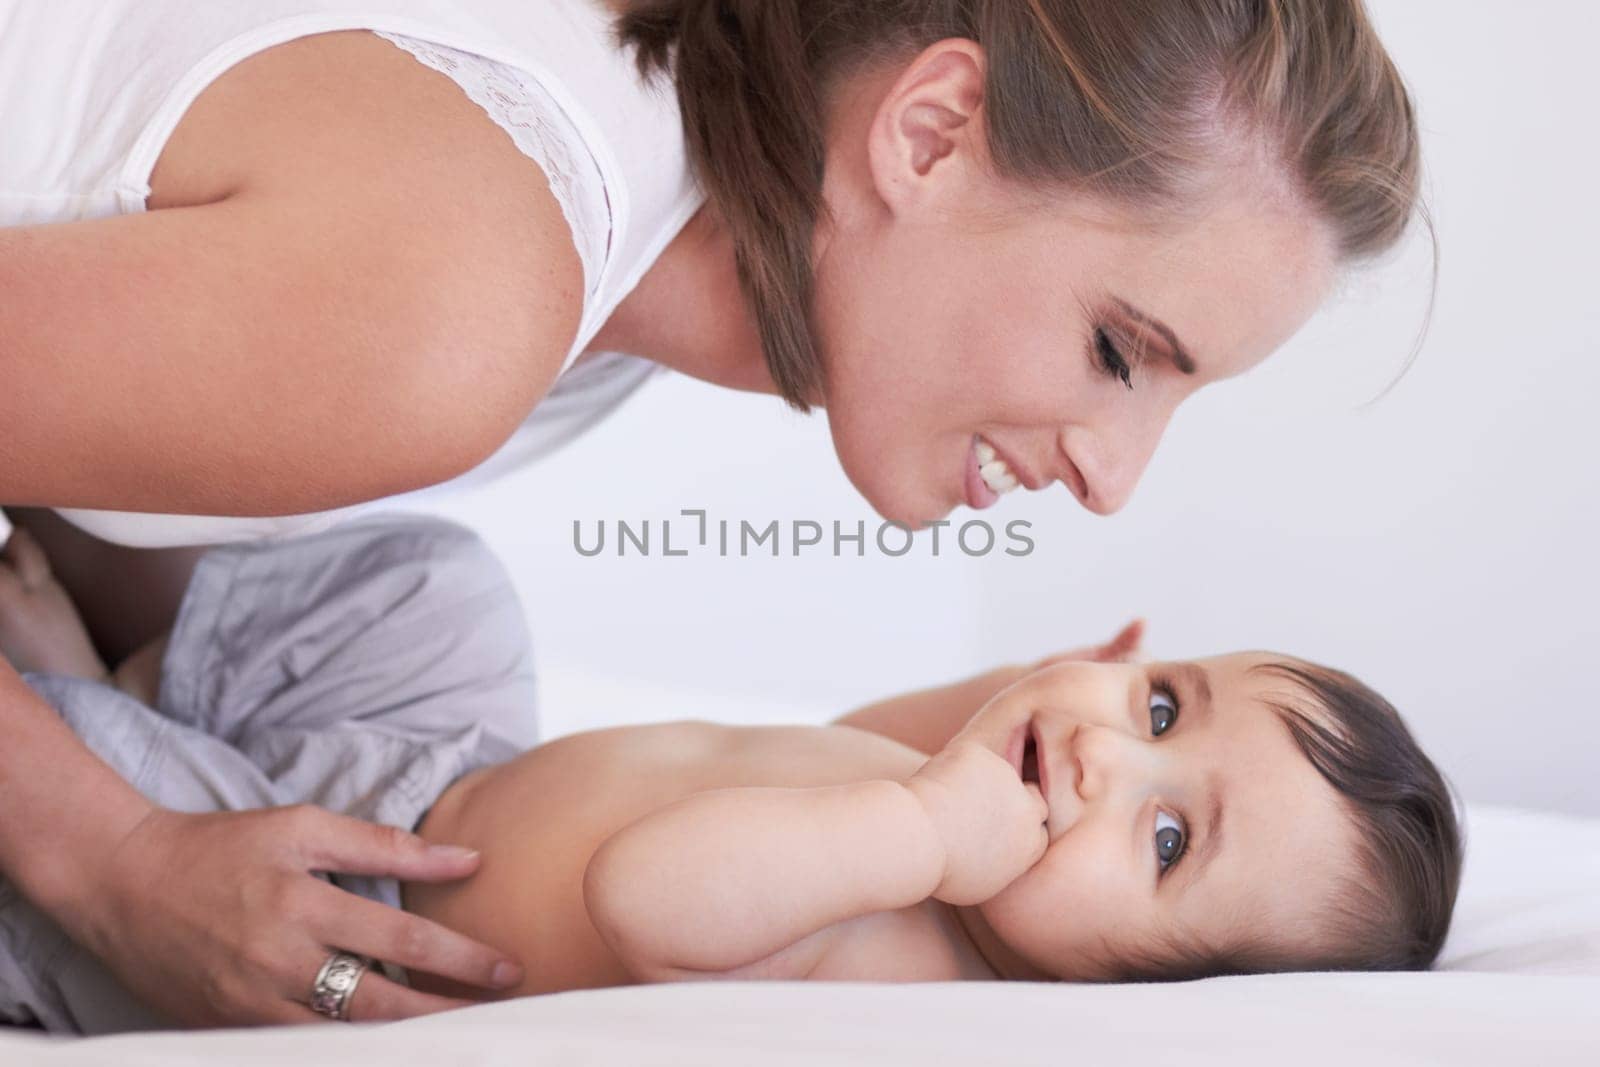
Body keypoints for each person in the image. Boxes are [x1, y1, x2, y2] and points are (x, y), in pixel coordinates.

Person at [0, 0, 1427, 1027]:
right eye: (1119, 352)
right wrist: (107, 854)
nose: (1116, 480)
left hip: (386, 764)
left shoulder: (600, 263)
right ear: (929, 135)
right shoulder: (453, 306)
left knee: (420, 597)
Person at [0, 516, 1461, 1031]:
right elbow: (833, 743)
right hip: (446, 773)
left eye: (1161, 840)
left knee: (120, 791)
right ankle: (114, 672)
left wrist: (920, 825)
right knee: (446, 591)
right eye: (1159, 705)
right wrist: (952, 736)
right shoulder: (947, 834)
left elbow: (655, 897)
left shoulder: (921, 957)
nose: (1100, 751)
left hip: (323, 905)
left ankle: (76, 706)